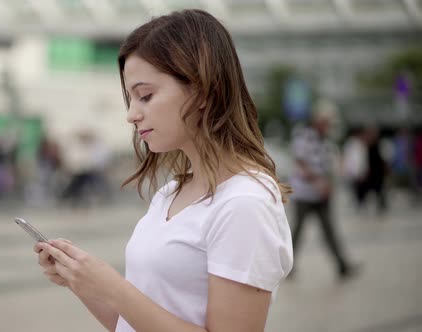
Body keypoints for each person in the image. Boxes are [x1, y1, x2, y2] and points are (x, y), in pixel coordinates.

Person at [33, 9, 293, 332]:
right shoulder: (170, 192)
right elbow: (134, 323)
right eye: (131, 99)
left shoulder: (245, 203)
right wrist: (81, 281)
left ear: (201, 90)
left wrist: (114, 288)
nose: (132, 115)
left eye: (145, 96)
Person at [289, 109, 358, 279]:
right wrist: (319, 181)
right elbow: (301, 163)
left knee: (330, 231)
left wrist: (329, 184)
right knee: (296, 232)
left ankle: (342, 265)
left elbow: (331, 167)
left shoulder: (327, 142)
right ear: (316, 122)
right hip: (304, 195)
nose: (326, 126)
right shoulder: (304, 137)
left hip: (321, 196)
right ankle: (287, 267)